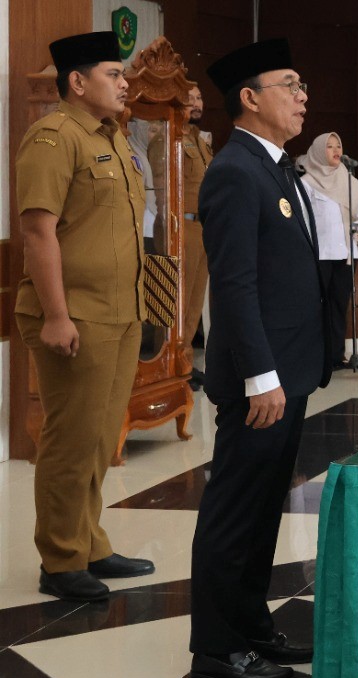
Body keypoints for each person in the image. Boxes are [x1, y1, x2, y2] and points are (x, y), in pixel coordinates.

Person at [191, 38, 335, 678]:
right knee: (234, 511)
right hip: (263, 381)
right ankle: (218, 650)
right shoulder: (233, 171)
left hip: (288, 372)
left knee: (262, 508)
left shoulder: (275, 167)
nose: (303, 96)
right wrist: (261, 376)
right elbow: (236, 284)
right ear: (250, 98)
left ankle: (251, 627)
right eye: (290, 84)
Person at [14, 32, 151, 602]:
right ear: (78, 81)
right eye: (113, 74)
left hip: (121, 312)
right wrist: (55, 316)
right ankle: (61, 559)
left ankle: (90, 541)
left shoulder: (113, 139)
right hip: (76, 314)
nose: (124, 84)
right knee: (71, 439)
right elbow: (37, 231)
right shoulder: (52, 137)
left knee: (99, 437)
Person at [295, 132, 358, 349]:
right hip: (320, 254)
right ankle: (316, 355)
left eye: (338, 146)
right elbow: (302, 219)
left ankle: (336, 354)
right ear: (317, 151)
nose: (336, 151)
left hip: (346, 254)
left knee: (339, 304)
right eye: (329, 147)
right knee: (317, 306)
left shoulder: (350, 181)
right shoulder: (306, 183)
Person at [177, 84, 213, 368]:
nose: (196, 103)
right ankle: (174, 360)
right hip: (183, 228)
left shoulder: (201, 142)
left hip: (205, 228)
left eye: (199, 97)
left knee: (195, 301)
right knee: (181, 298)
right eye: (189, 98)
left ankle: (186, 360)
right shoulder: (170, 139)